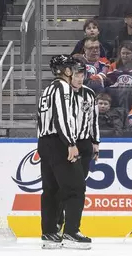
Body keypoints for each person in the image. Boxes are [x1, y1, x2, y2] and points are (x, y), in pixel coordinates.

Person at [37, 55, 90, 249]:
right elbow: (62, 116)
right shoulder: (63, 87)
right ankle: (71, 232)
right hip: (60, 143)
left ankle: (49, 232)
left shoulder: (48, 89)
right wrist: (70, 143)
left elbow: (41, 118)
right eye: (71, 68)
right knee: (76, 187)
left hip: (45, 142)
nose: (73, 71)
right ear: (66, 71)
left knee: (51, 190)